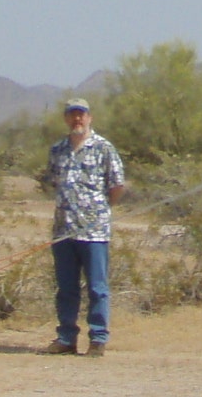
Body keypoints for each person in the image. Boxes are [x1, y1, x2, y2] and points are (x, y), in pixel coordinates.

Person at [44, 96, 124, 357]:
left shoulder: (103, 148)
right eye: (72, 114)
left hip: (95, 232)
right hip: (63, 231)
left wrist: (100, 211)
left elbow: (116, 185)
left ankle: (98, 338)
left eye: (82, 114)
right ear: (66, 118)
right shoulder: (57, 150)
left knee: (97, 288)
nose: (77, 119)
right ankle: (66, 338)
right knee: (66, 288)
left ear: (90, 117)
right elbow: (53, 182)